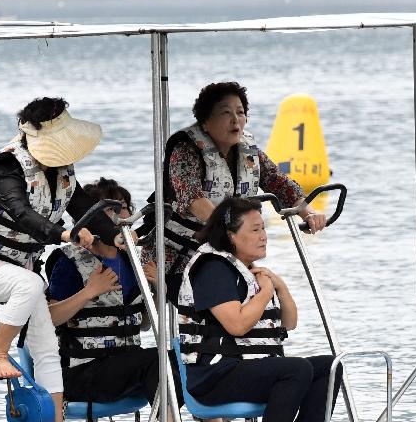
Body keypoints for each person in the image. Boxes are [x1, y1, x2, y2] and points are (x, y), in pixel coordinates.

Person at [0, 96, 116, 422]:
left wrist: (116, 237)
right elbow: (23, 214)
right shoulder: (6, 167)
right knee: (33, 282)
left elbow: (84, 208)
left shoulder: (64, 172)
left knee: (47, 347)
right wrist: (65, 234)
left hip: (21, 271)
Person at [46, 178, 231, 422]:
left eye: (125, 208)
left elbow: (144, 323)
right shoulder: (69, 263)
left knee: (186, 357)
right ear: (93, 218)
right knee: (155, 362)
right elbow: (49, 318)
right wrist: (89, 291)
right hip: (82, 372)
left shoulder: (134, 260)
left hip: (126, 364)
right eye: (114, 209)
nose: (123, 216)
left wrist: (158, 288)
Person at [177, 197, 342, 422]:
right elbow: (237, 325)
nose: (264, 236)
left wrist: (280, 287)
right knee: (296, 369)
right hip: (213, 378)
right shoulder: (212, 268)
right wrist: (265, 292)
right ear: (231, 235)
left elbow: (289, 322)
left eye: (263, 228)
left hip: (248, 369)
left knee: (330, 366)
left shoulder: (249, 269)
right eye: (255, 230)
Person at [140, 81, 328, 301]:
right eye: (225, 112)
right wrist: (229, 230)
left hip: (227, 250)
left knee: (256, 294)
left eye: (240, 112)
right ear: (206, 121)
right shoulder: (185, 150)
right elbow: (191, 197)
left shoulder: (249, 151)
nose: (235, 119)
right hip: (178, 253)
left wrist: (309, 213)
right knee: (224, 299)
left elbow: (280, 184)